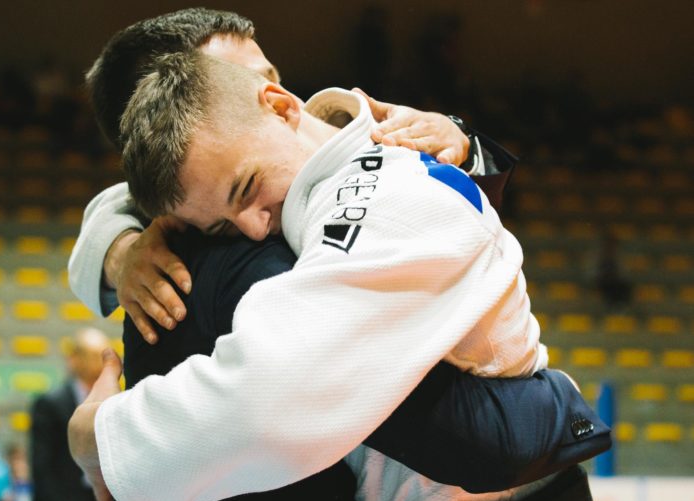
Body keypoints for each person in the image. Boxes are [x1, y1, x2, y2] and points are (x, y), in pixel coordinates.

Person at [70, 49, 608, 501]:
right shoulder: (298, 183)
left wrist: (102, 435)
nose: (253, 227)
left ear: (279, 105)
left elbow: (274, 393)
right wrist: (116, 245)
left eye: (245, 189)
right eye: (220, 224)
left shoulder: (390, 195)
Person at [67, 8, 517, 345]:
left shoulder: (363, 129)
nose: (281, 100)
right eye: (232, 83)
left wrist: (463, 145)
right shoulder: (185, 226)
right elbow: (111, 208)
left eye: (270, 77)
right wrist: (121, 253)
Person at [27, 328, 142, 501]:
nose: (97, 363)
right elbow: (42, 469)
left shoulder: (114, 403)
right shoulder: (50, 404)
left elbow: (114, 461)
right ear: (74, 358)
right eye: (90, 355)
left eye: (102, 355)